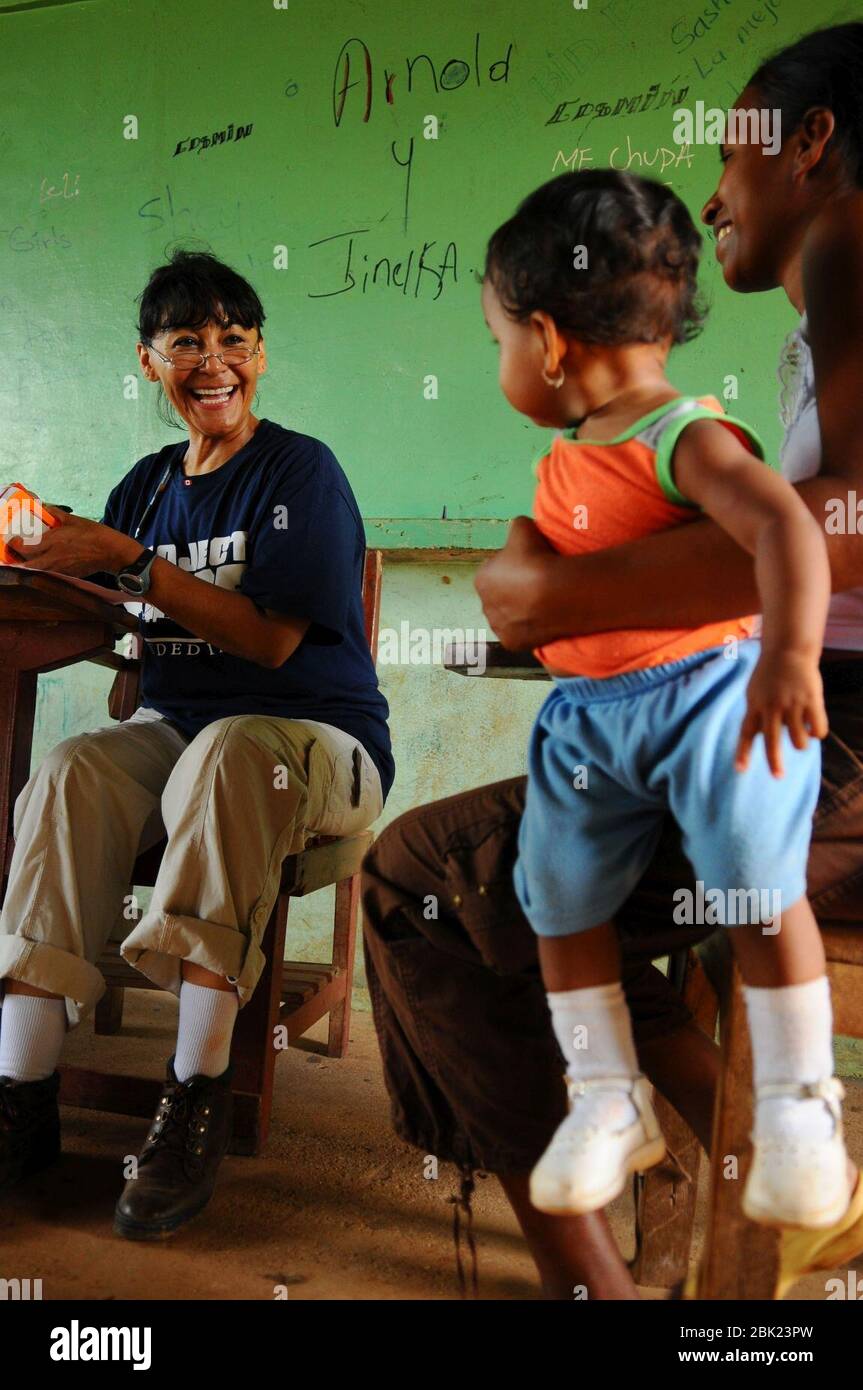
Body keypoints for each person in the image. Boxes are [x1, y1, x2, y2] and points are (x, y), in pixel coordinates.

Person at [363, 22, 863, 1297]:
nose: (712, 194)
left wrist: (549, 593)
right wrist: (563, 611)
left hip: (822, 734)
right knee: (551, 891)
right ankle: (748, 1153)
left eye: (736, 147)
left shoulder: (838, 287)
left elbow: (830, 530)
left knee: (420, 886)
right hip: (765, 717)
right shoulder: (784, 355)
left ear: (810, 143)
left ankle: (607, 1270)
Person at [483, 165, 850, 1230]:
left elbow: (786, 527)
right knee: (554, 898)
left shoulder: (678, 434)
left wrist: (785, 657)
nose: (502, 361)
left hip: (708, 699)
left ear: (548, 341)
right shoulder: (570, 454)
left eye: (499, 339)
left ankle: (795, 1106)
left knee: (749, 879)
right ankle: (604, 1094)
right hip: (592, 721)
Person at [0, 249, 394, 1240]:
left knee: (230, 750)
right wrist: (29, 562)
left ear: (260, 356)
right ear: (149, 362)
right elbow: (102, 629)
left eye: (232, 340)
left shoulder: (298, 469)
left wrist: (132, 561)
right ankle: (23, 1095)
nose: (211, 361)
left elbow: (268, 640)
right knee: (73, 767)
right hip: (185, 740)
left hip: (315, 747)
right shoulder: (142, 487)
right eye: (186, 342)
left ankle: (192, 1095)